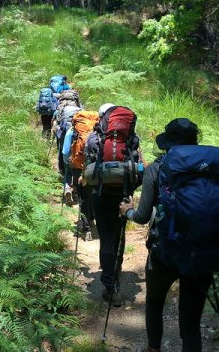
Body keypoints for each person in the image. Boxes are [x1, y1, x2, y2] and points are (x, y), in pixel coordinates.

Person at [119, 118, 213, 352]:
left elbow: (141, 216)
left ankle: (153, 348)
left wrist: (127, 211)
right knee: (191, 322)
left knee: (154, 301)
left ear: (167, 143)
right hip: (204, 249)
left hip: (165, 250)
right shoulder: (211, 166)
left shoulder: (157, 168)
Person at [84, 102, 137, 307]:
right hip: (123, 195)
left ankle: (110, 285)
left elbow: (89, 170)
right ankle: (117, 275)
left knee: (106, 238)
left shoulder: (94, 137)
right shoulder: (131, 137)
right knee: (119, 237)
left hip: (100, 194)